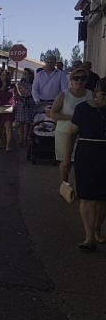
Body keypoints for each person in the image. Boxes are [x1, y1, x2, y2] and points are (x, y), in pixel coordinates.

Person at [61, 78, 106, 251]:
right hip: (87, 156)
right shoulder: (83, 109)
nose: (105, 100)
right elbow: (71, 134)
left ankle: (97, 228)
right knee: (87, 196)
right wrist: (66, 159)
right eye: (103, 95)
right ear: (96, 92)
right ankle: (89, 237)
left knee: (103, 198)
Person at [49, 66, 93, 181]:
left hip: (84, 135)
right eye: (76, 78)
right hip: (65, 133)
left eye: (83, 78)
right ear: (71, 80)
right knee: (66, 163)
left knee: (82, 163)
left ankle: (78, 189)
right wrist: (73, 117)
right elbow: (53, 114)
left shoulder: (90, 95)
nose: (79, 81)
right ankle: (65, 186)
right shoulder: (63, 95)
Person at [0, 69, 17, 151]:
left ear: (8, 76)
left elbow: (18, 95)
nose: (3, 76)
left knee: (8, 126)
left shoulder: (13, 85)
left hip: (8, 107)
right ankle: (0, 141)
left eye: (5, 75)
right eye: (2, 74)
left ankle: (8, 145)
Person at [14, 68, 36, 146]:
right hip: (21, 103)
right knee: (21, 123)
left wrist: (26, 93)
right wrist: (22, 96)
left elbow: (32, 93)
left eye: (26, 74)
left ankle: (25, 139)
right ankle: (21, 139)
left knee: (28, 122)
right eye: (24, 73)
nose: (24, 75)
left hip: (30, 103)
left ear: (30, 75)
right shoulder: (20, 83)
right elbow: (17, 93)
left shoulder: (34, 83)